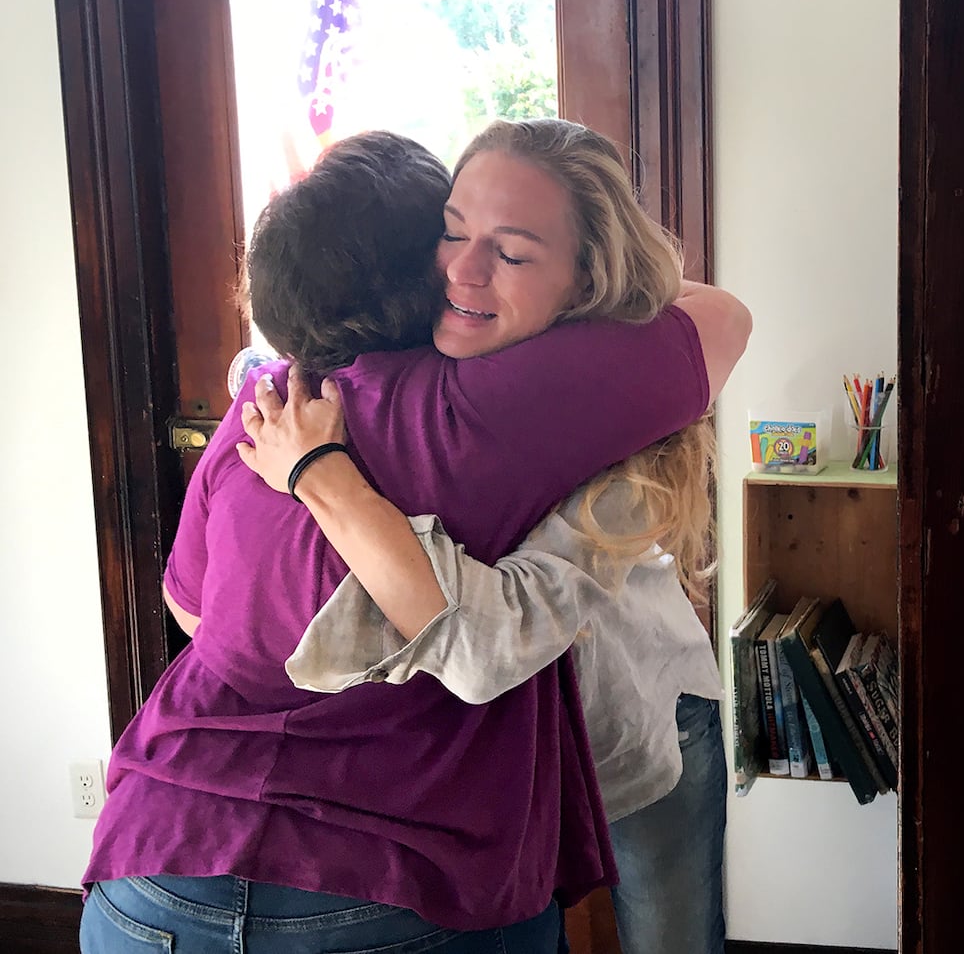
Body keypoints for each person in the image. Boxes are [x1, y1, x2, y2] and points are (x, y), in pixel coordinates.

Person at [79, 129, 752, 953]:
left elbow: (191, 609)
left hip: (149, 869)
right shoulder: (475, 414)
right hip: (390, 880)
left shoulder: (270, 395)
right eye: (450, 229)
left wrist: (323, 492)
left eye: (511, 250)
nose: (463, 269)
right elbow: (717, 315)